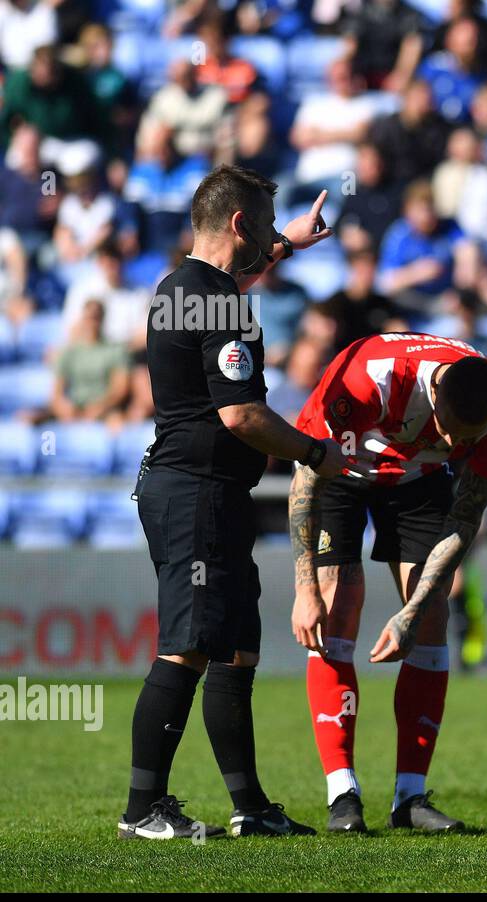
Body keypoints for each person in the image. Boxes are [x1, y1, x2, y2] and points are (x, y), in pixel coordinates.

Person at [121, 165, 344, 840]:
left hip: (205, 490)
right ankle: (142, 808)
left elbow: (228, 285)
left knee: (236, 647)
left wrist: (288, 245)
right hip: (196, 492)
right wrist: (313, 452)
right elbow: (242, 415)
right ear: (240, 223)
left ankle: (250, 806)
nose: (272, 239)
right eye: (267, 226)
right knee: (187, 646)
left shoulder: (180, 289)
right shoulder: (217, 300)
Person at [289, 333, 487, 833]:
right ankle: (342, 794)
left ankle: (410, 799)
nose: (458, 445)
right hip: (340, 469)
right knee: (337, 603)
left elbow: (465, 517)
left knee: (433, 614)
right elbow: (306, 477)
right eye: (451, 431)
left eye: (468, 440)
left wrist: (412, 611)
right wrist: (304, 587)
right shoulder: (368, 378)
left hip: (418, 479)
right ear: (434, 396)